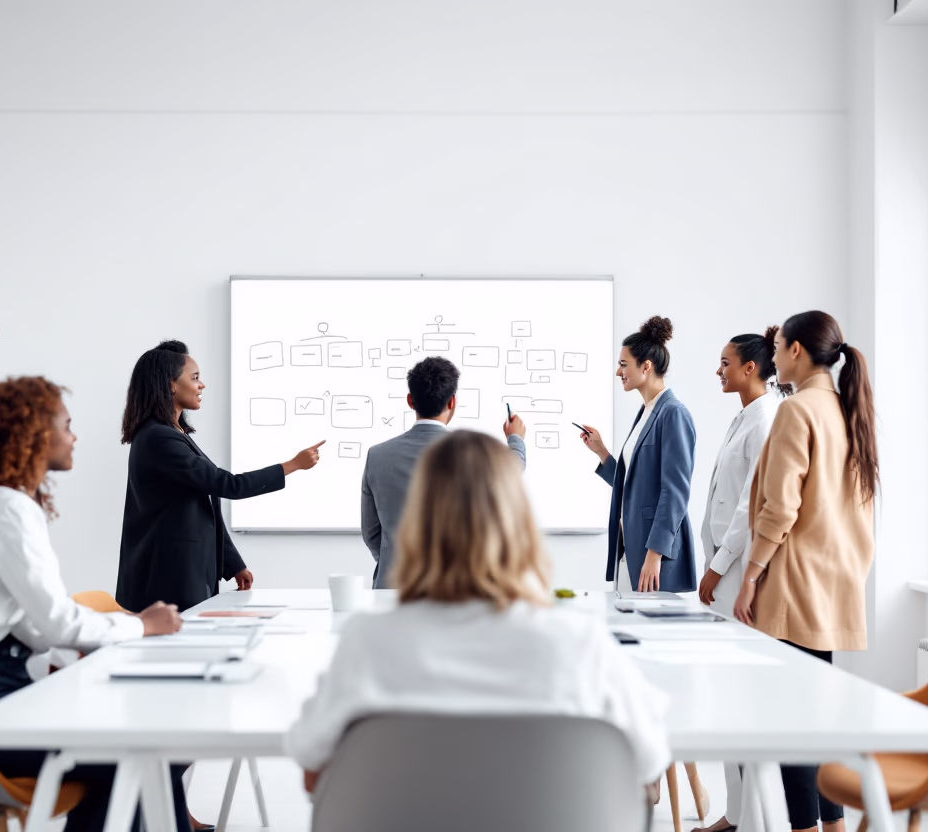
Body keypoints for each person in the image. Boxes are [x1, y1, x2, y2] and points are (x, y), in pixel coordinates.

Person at [289, 430, 671, 794]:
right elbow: (647, 761)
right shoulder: (578, 643)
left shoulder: (366, 642)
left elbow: (312, 772)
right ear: (517, 522)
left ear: (419, 521)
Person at [0, 377, 188, 832]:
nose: (74, 435)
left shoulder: (4, 504)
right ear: (32, 434)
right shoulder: (7, 509)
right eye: (66, 424)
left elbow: (36, 626)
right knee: (143, 752)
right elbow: (58, 623)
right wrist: (141, 626)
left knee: (145, 750)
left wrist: (95, 636)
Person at [733, 311, 878, 832]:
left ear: (796, 351)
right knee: (811, 716)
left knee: (789, 721)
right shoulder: (845, 408)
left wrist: (750, 576)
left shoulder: (797, 412)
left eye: (776, 348)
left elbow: (780, 508)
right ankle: (832, 825)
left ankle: (807, 828)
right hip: (833, 584)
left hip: (794, 585)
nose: (771, 358)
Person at [116, 340, 323, 612]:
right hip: (168, 579)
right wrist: (292, 465)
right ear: (171, 384)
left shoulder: (174, 434)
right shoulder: (159, 438)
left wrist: (233, 564)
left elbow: (205, 504)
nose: (202, 385)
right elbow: (227, 485)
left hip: (183, 573)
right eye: (195, 378)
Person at [693, 328, 783, 832]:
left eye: (725, 362)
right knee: (727, 695)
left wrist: (718, 566)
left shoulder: (767, 419)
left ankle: (751, 819)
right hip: (722, 573)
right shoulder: (743, 417)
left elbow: (754, 508)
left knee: (742, 696)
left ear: (751, 367)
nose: (720, 369)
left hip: (734, 575)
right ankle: (736, 812)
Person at [360, 356, 526, 588]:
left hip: (394, 586)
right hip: (453, 589)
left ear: (410, 400)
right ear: (452, 402)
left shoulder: (377, 455)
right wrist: (515, 439)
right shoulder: (471, 452)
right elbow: (510, 470)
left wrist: (393, 559)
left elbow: (371, 532)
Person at [579, 316, 697, 594]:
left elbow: (675, 491)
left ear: (646, 366)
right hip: (630, 547)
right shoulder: (646, 412)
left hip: (652, 553)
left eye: (623, 364)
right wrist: (602, 452)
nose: (618, 372)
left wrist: (655, 553)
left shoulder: (673, 413)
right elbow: (636, 483)